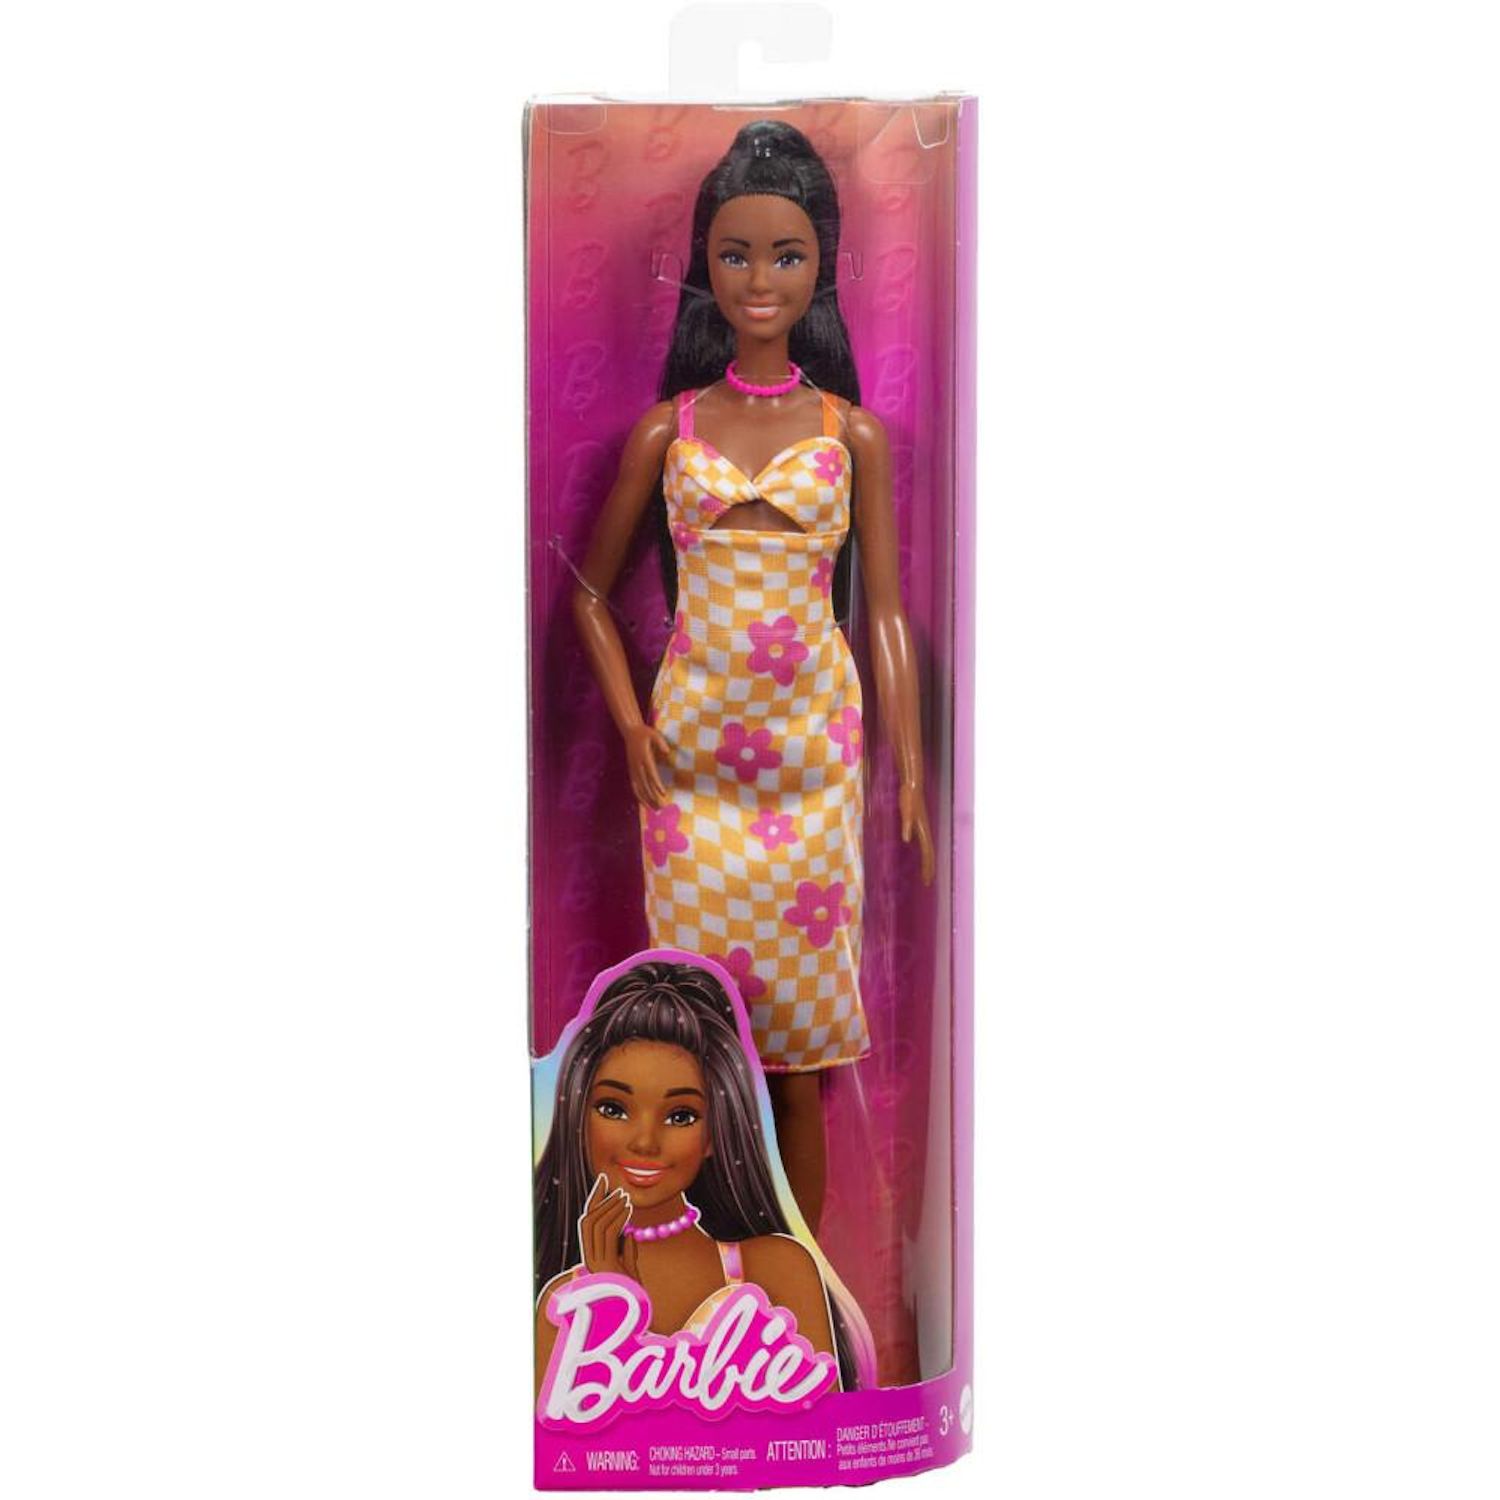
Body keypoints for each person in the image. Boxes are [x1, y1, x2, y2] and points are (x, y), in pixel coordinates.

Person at [571, 119, 933, 1234]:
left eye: (787, 255)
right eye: (735, 255)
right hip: (691, 776)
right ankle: (700, 1268)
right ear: (704, 266)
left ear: (824, 263)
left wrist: (910, 771)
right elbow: (588, 595)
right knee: (701, 1047)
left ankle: (802, 1284)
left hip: (811, 770)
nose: (760, 280)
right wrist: (630, 727)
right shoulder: (667, 433)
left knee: (803, 1059)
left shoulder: (851, 435)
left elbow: (884, 615)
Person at [532, 957, 866, 1397]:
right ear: (579, 1116)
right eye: (613, 1109)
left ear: (713, 1134)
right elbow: (570, 1436)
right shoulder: (562, 1300)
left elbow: (819, 1424)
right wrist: (613, 1301)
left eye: (681, 1115)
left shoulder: (775, 1267)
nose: (645, 1142)